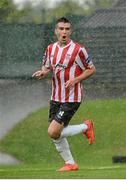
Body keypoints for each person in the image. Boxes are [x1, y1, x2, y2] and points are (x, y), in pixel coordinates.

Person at [32, 17, 96, 172]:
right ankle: (70, 163)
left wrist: (76, 79)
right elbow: (47, 67)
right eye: (61, 28)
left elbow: (91, 69)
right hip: (55, 96)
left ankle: (85, 127)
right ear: (56, 31)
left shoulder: (78, 50)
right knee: (56, 134)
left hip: (72, 97)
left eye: (67, 29)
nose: (64, 32)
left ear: (71, 31)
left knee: (53, 131)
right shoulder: (50, 49)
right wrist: (43, 72)